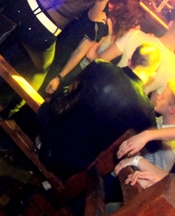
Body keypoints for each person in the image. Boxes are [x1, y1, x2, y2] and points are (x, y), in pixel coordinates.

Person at [37, 44, 161, 181]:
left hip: (49, 137)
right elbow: (154, 145)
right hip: (75, 164)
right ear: (152, 75)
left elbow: (69, 91)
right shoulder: (145, 107)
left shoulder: (99, 66)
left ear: (129, 60)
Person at [98, 2, 175, 96]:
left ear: (170, 24)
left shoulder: (135, 36)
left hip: (103, 91)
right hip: (127, 107)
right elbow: (154, 103)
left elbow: (100, 60)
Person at [113, 78, 175, 178]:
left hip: (124, 176)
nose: (158, 97)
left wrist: (136, 157)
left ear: (172, 109)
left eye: (163, 97)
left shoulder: (169, 151)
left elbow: (156, 177)